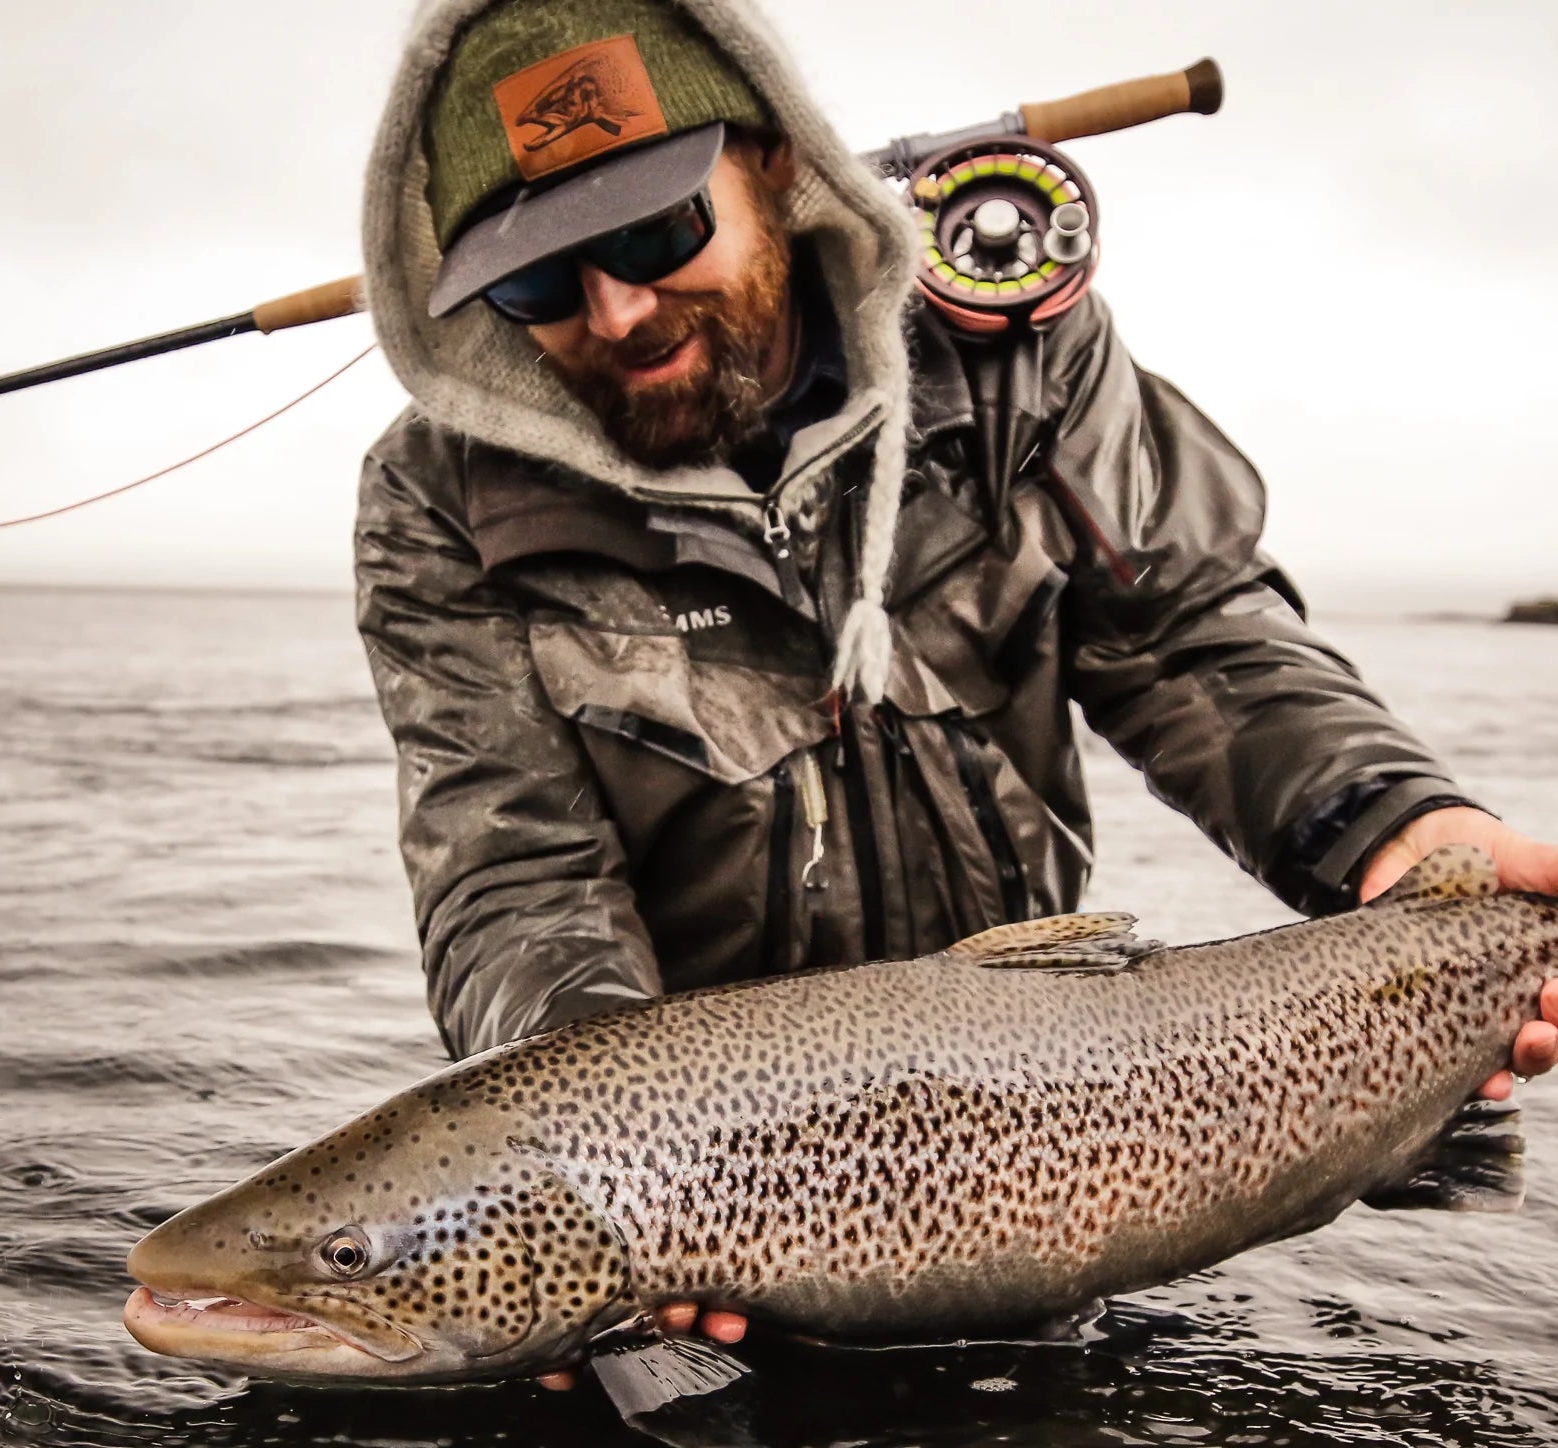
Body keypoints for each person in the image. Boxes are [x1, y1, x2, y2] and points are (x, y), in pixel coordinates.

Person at [354, 0, 1558, 1378]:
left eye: (650, 235)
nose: (614, 311)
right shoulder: (438, 499)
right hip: (708, 1230)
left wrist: (1398, 829)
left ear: (771, 162)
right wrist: (612, 1177)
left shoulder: (1010, 358)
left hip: (1064, 1132)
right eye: (535, 285)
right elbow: (511, 870)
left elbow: (1186, 635)